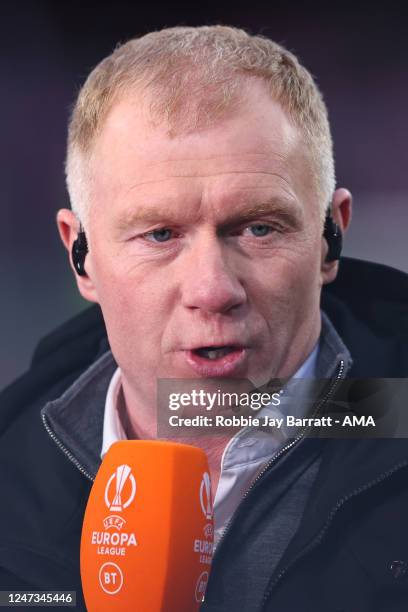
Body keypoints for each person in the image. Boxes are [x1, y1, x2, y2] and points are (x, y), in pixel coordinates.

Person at [1, 25, 407, 611]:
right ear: (80, 257)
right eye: (160, 234)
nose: (213, 290)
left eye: (258, 227)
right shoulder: (12, 475)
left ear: (329, 239)